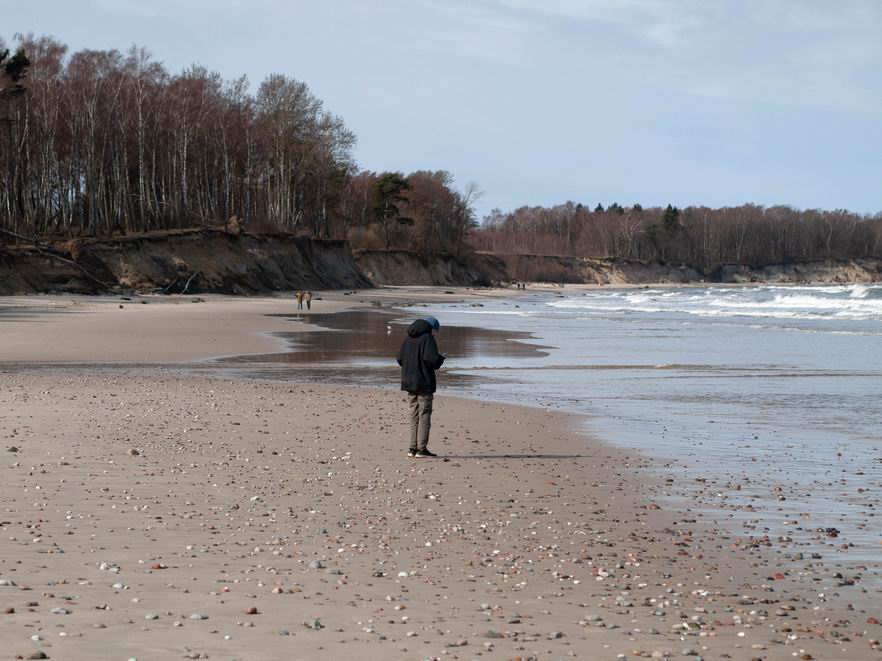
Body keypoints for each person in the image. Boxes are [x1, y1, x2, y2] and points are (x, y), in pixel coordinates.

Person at [396, 317, 445, 458]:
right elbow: (431, 360)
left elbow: (399, 359)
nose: (435, 334)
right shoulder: (427, 338)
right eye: (436, 331)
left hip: (409, 382)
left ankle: (412, 448)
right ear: (432, 328)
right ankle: (421, 449)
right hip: (423, 383)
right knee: (424, 415)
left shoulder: (408, 339)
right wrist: (440, 358)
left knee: (414, 415)